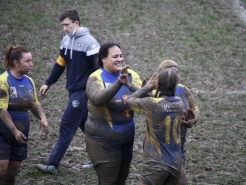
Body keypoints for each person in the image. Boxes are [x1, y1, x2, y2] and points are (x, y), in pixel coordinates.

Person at [35, 9, 100, 173]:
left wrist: (98, 91)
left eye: (67, 25)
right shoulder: (66, 40)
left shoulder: (90, 43)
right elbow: (60, 63)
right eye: (62, 25)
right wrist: (48, 82)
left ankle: (53, 163)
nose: (64, 28)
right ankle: (102, 159)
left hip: (83, 92)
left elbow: (98, 69)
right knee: (88, 128)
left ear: (76, 23)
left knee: (66, 125)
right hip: (73, 91)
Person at [85, 42, 142, 184]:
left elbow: (144, 97)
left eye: (121, 56)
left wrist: (148, 89)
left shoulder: (131, 74)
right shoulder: (95, 77)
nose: (120, 59)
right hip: (102, 140)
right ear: (103, 58)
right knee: (107, 181)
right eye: (115, 56)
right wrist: (119, 83)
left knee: (121, 180)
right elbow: (97, 99)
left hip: (127, 137)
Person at [126, 68, 185, 185]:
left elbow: (130, 100)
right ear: (175, 86)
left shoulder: (152, 104)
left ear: (159, 84)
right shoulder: (179, 103)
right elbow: (161, 101)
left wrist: (147, 87)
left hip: (155, 164)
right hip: (175, 163)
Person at [0, 45, 49, 185]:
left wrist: (43, 117)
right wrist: (14, 131)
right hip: (3, 132)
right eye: (27, 61)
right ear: (16, 63)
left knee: (12, 171)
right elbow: (2, 110)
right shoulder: (3, 81)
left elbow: (34, 103)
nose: (31, 64)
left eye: (31, 61)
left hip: (21, 134)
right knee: (2, 168)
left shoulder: (29, 81)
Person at [158, 60, 200, 185]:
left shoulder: (184, 90)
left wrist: (193, 120)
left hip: (180, 141)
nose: (174, 76)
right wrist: (180, 122)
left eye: (176, 72)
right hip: (164, 145)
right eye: (170, 73)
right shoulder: (156, 92)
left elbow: (195, 109)